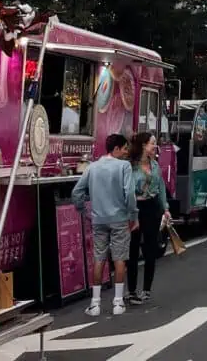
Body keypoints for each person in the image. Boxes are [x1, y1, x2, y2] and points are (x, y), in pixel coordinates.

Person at [71, 134, 137, 316]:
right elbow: (130, 193)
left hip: (98, 219)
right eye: (124, 148)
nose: (126, 152)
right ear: (115, 149)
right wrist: (133, 214)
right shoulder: (124, 166)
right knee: (120, 258)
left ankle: (95, 303)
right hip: (120, 219)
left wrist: (84, 211)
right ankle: (117, 303)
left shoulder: (92, 167)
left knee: (99, 259)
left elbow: (76, 192)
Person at [125, 132, 169, 305]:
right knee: (133, 249)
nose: (155, 147)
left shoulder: (156, 165)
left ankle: (146, 290)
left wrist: (165, 208)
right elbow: (127, 190)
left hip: (152, 208)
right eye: (152, 143)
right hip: (136, 208)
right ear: (144, 145)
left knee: (150, 249)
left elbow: (161, 188)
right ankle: (132, 290)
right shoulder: (130, 166)